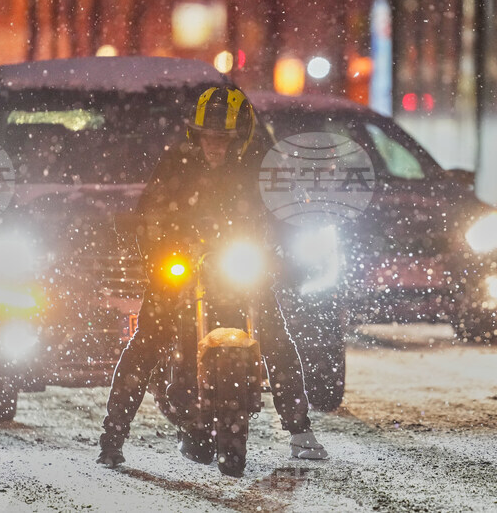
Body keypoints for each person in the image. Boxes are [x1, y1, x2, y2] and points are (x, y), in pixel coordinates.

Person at [97, 85, 328, 468]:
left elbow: (284, 216)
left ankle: (300, 430)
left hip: (238, 265)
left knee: (274, 334)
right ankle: (113, 436)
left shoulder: (262, 169)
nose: (214, 147)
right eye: (208, 138)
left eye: (224, 139)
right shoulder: (176, 164)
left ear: (241, 139)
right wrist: (155, 246)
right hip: (183, 268)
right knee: (148, 339)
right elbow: (148, 212)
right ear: (196, 136)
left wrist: (283, 253)